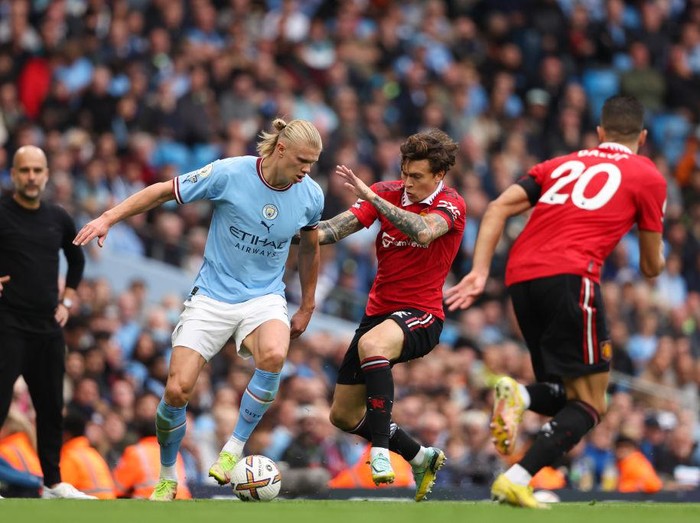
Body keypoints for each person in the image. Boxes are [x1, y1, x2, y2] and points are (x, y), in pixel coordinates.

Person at [74, 118, 324, 501]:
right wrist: (109, 217)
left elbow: (310, 249)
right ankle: (168, 474)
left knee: (275, 353)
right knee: (177, 390)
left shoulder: (310, 195)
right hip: (211, 295)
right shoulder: (230, 173)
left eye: (314, 163)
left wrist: (306, 304)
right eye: (303, 160)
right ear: (281, 149)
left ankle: (232, 449)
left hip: (264, 297)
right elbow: (162, 192)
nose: (307, 170)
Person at [445, 95, 666, 508]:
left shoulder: (558, 164)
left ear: (599, 135)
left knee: (565, 393)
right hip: (570, 277)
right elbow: (652, 267)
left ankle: (523, 399)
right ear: (644, 137)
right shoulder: (647, 175)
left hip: (520, 276)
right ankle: (517, 476)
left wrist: (477, 272)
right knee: (593, 402)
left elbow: (496, 208)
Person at [310, 129, 465, 501]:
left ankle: (379, 451)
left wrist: (373, 198)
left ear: (439, 176)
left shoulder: (453, 204)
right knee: (343, 416)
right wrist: (289, 232)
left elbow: (425, 232)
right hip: (377, 315)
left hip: (422, 316)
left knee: (373, 343)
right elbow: (332, 230)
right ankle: (420, 456)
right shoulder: (386, 191)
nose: (408, 183)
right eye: (405, 173)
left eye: (417, 177)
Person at [0, 145, 93, 500]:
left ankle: (53, 483)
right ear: (13, 174)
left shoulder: (57, 216)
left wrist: (67, 299)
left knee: (52, 405)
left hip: (47, 327)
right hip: (7, 322)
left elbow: (77, 258)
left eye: (37, 170)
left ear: (47, 175)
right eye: (24, 170)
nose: (31, 177)